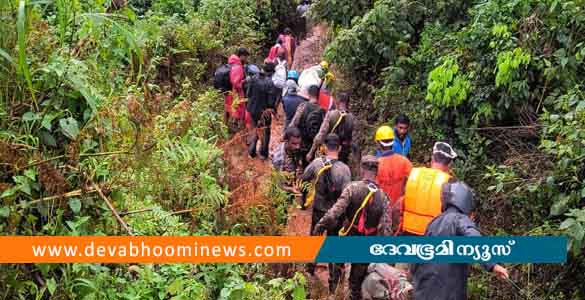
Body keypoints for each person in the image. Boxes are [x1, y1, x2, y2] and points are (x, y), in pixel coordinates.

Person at [412, 181, 509, 300]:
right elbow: (474, 240)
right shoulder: (460, 219)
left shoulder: (434, 222)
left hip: (425, 289)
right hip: (447, 291)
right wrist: (492, 264)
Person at [313, 155, 393, 300]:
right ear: (377, 172)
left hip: (348, 236)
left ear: (362, 169)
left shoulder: (352, 188)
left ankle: (334, 295)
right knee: (356, 285)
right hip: (366, 243)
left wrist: (320, 225)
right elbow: (387, 230)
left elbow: (334, 213)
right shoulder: (383, 197)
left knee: (337, 273)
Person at [301, 134, 351, 293]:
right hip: (335, 214)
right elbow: (347, 194)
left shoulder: (317, 163)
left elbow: (304, 178)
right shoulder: (344, 169)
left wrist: (306, 197)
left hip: (318, 210)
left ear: (324, 147)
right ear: (340, 148)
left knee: (314, 239)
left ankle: (309, 270)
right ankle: (333, 282)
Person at [401, 141, 457, 236]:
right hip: (432, 232)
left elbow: (400, 203)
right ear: (449, 164)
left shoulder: (414, 173)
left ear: (432, 158)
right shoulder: (449, 182)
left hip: (408, 231)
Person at [374, 126, 412, 230]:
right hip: (398, 211)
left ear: (378, 143)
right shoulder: (404, 162)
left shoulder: (376, 165)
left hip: (382, 212)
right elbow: (414, 182)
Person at [306, 92, 355, 164]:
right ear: (348, 103)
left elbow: (321, 135)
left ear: (337, 102)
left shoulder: (331, 115)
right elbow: (351, 140)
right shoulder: (352, 118)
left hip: (329, 150)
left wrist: (311, 152)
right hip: (343, 153)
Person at [246, 63, 277, 160]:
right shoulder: (270, 83)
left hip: (252, 109)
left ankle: (251, 152)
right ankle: (263, 153)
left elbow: (248, 94)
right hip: (264, 112)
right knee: (265, 131)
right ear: (271, 72)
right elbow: (271, 102)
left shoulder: (253, 78)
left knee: (255, 128)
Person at [289, 85, 324, 167]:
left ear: (308, 94)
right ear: (318, 95)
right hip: (312, 145)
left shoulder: (303, 106)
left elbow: (294, 122)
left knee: (296, 164)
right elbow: (322, 131)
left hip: (300, 142)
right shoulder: (322, 110)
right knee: (308, 166)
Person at [272, 127, 304, 195]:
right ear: (286, 141)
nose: (297, 147)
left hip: (292, 179)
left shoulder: (295, 149)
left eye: (299, 143)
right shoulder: (279, 158)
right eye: (294, 144)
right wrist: (291, 189)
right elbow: (279, 184)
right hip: (282, 190)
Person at [224, 48, 250, 128]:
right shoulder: (237, 66)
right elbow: (236, 83)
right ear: (241, 56)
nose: (246, 59)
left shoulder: (233, 64)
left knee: (230, 109)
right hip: (236, 93)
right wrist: (245, 81)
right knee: (236, 110)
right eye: (245, 57)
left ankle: (229, 126)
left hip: (230, 92)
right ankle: (235, 128)